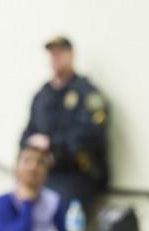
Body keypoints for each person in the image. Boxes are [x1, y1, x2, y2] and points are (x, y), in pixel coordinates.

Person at [20, 36, 109, 213]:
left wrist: (53, 146)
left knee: (58, 208)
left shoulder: (87, 93)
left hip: (75, 174)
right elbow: (27, 135)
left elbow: (91, 135)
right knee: (14, 202)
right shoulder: (43, 95)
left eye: (60, 52)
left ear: (71, 54)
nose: (56, 57)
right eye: (52, 53)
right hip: (42, 172)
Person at [0, 145, 67, 231]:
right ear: (16, 168)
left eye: (40, 162)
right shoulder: (1, 202)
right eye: (27, 161)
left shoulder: (53, 200)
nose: (33, 167)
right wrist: (27, 203)